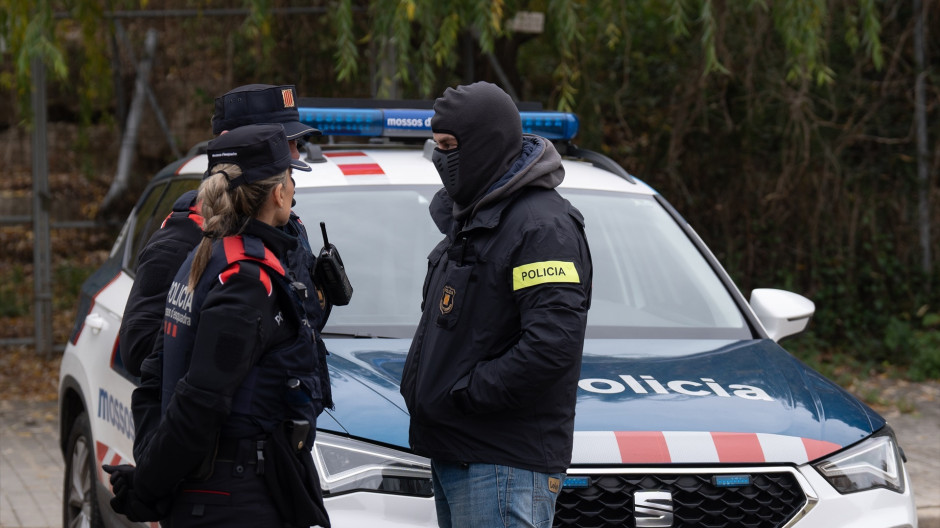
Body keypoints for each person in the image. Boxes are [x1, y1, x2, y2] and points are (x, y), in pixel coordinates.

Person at [104, 124, 330, 528]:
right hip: (234, 499)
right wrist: (149, 490)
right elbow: (199, 402)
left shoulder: (207, 258)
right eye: (290, 178)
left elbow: (156, 379)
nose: (294, 188)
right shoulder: (245, 279)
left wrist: (151, 474)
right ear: (278, 192)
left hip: (217, 492)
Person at [399, 81, 593, 528]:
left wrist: (464, 394)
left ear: (484, 146)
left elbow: (551, 344)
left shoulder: (541, 227)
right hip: (459, 454)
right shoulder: (474, 219)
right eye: (437, 146)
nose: (440, 159)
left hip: (502, 465)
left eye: (450, 147)